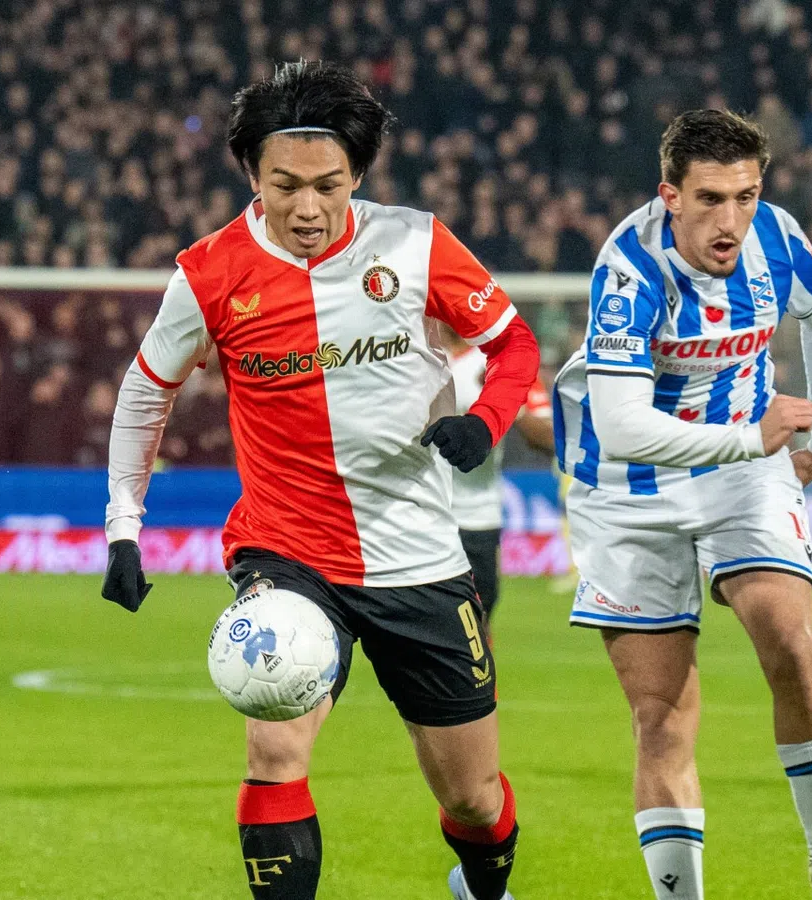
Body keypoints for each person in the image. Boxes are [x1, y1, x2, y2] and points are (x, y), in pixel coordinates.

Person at [99, 62, 539, 900]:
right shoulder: (210, 271)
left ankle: (483, 885)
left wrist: (484, 424)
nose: (306, 208)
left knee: (475, 799)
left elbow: (514, 344)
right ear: (250, 176)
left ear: (358, 176)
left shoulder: (414, 243)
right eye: (283, 185)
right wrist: (125, 525)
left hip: (416, 555)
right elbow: (144, 390)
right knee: (275, 749)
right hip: (287, 554)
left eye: (328, 186)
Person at [553, 110, 812, 900]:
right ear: (670, 196)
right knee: (661, 713)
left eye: (747, 196)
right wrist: (753, 439)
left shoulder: (777, 238)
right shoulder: (628, 269)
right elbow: (624, 426)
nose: (732, 221)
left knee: (791, 644)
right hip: (629, 486)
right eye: (712, 199)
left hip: (742, 470)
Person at [443, 328, 554, 630]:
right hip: (415, 514)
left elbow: (550, 438)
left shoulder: (501, 364)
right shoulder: (409, 353)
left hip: (475, 518)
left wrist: (505, 399)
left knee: (475, 625)